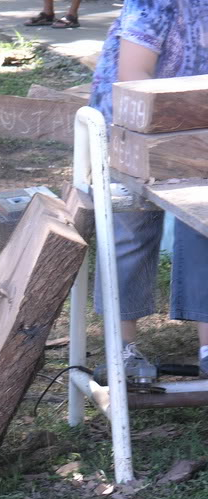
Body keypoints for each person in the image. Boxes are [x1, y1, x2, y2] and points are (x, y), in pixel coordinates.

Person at [90, 0, 208, 378]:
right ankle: (122, 348)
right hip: (128, 122)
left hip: (198, 127)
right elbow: (133, 74)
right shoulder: (154, 3)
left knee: (204, 224)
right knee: (131, 227)